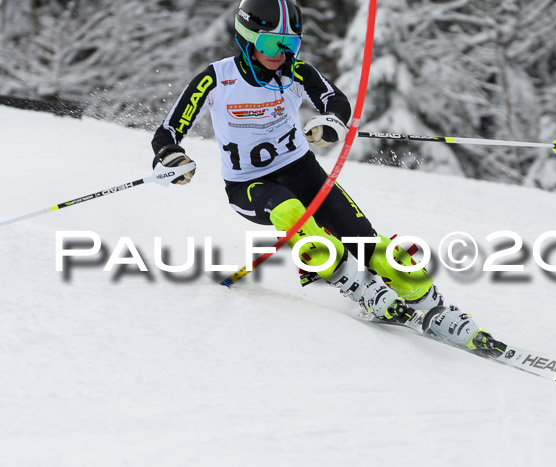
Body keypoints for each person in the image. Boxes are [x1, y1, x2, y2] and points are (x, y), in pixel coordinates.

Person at [151, 0, 504, 357]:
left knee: (366, 241)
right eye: (271, 44)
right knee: (290, 212)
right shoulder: (217, 78)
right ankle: (351, 281)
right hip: (249, 185)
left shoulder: (295, 73)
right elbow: (168, 131)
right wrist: (171, 156)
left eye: (289, 44)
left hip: (303, 171)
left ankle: (429, 301)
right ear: (246, 37)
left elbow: (335, 102)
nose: (280, 54)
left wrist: (329, 124)